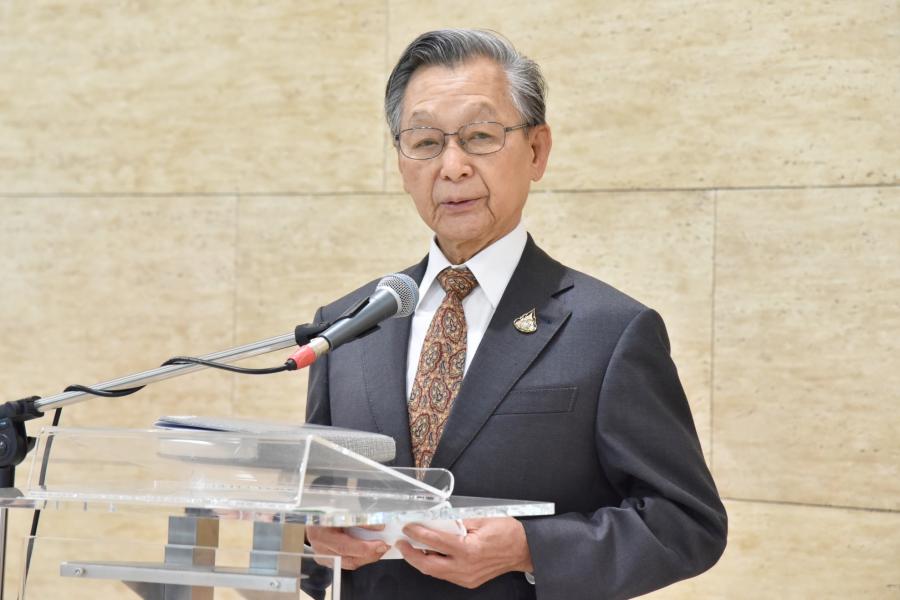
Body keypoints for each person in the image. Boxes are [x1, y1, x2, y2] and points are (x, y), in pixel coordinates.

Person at [304, 28, 727, 600]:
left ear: (536, 151)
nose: (452, 166)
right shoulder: (348, 327)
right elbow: (314, 514)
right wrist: (315, 539)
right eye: (425, 142)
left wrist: (532, 549)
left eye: (480, 136)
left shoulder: (610, 331)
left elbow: (686, 523)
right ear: (401, 161)